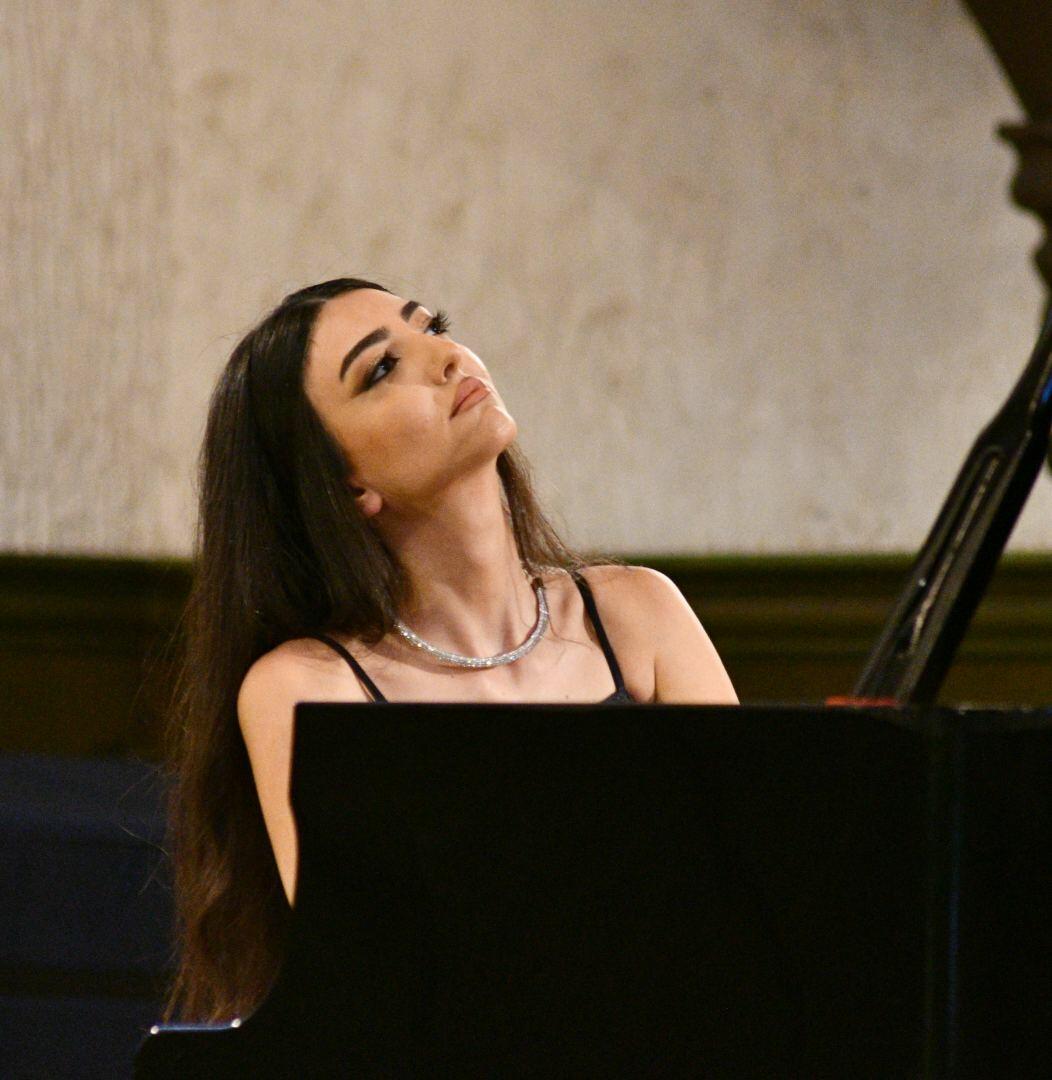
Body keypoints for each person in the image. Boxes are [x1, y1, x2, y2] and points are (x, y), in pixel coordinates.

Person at [164, 277, 737, 1023]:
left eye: (432, 326)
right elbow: (374, 981)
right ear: (345, 485)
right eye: (381, 369)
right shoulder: (308, 686)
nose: (445, 357)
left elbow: (753, 894)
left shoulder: (640, 613)